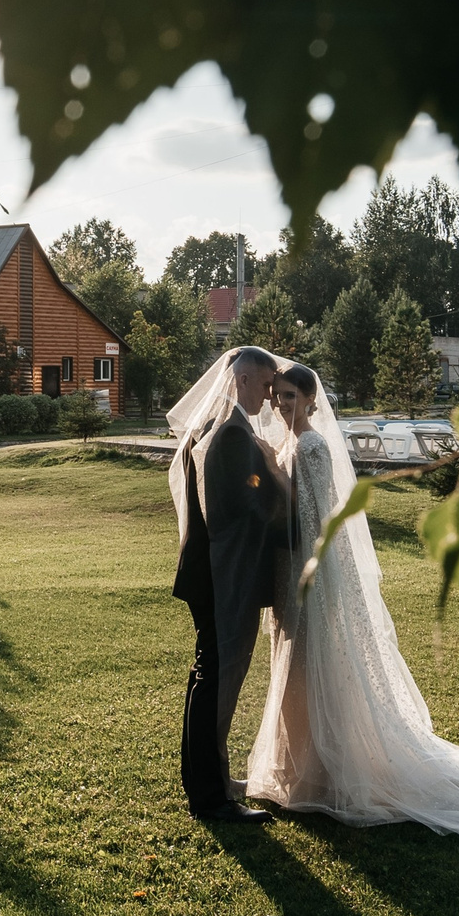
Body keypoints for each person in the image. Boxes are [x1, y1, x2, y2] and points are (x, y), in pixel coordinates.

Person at [244, 360, 459, 839]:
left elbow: (313, 520)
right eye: (278, 395)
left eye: (289, 396)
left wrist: (269, 474)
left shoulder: (314, 447)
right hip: (289, 574)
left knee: (313, 669)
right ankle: (297, 769)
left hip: (312, 574)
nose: (282, 405)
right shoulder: (288, 443)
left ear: (311, 400)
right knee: (294, 672)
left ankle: (320, 775)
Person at [168, 345, 288, 824]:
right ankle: (211, 798)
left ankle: (211, 777)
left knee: (209, 678)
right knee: (216, 682)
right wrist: (283, 484)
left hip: (210, 573)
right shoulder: (233, 436)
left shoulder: (220, 428)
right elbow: (247, 511)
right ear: (240, 380)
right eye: (263, 384)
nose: (268, 395)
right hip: (224, 577)